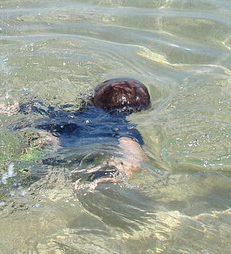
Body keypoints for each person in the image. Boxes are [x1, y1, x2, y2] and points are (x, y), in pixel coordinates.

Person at [0, 78, 152, 195]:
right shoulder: (122, 129)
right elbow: (133, 156)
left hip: (45, 134)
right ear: (138, 111)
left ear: (91, 99)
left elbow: (14, 105)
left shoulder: (60, 110)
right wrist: (114, 176)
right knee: (3, 177)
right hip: (68, 148)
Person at [17, 78, 152, 188]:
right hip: (83, 153)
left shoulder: (66, 113)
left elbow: (29, 106)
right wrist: (129, 164)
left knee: (47, 139)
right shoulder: (121, 127)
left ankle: (40, 145)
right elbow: (129, 145)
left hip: (60, 131)